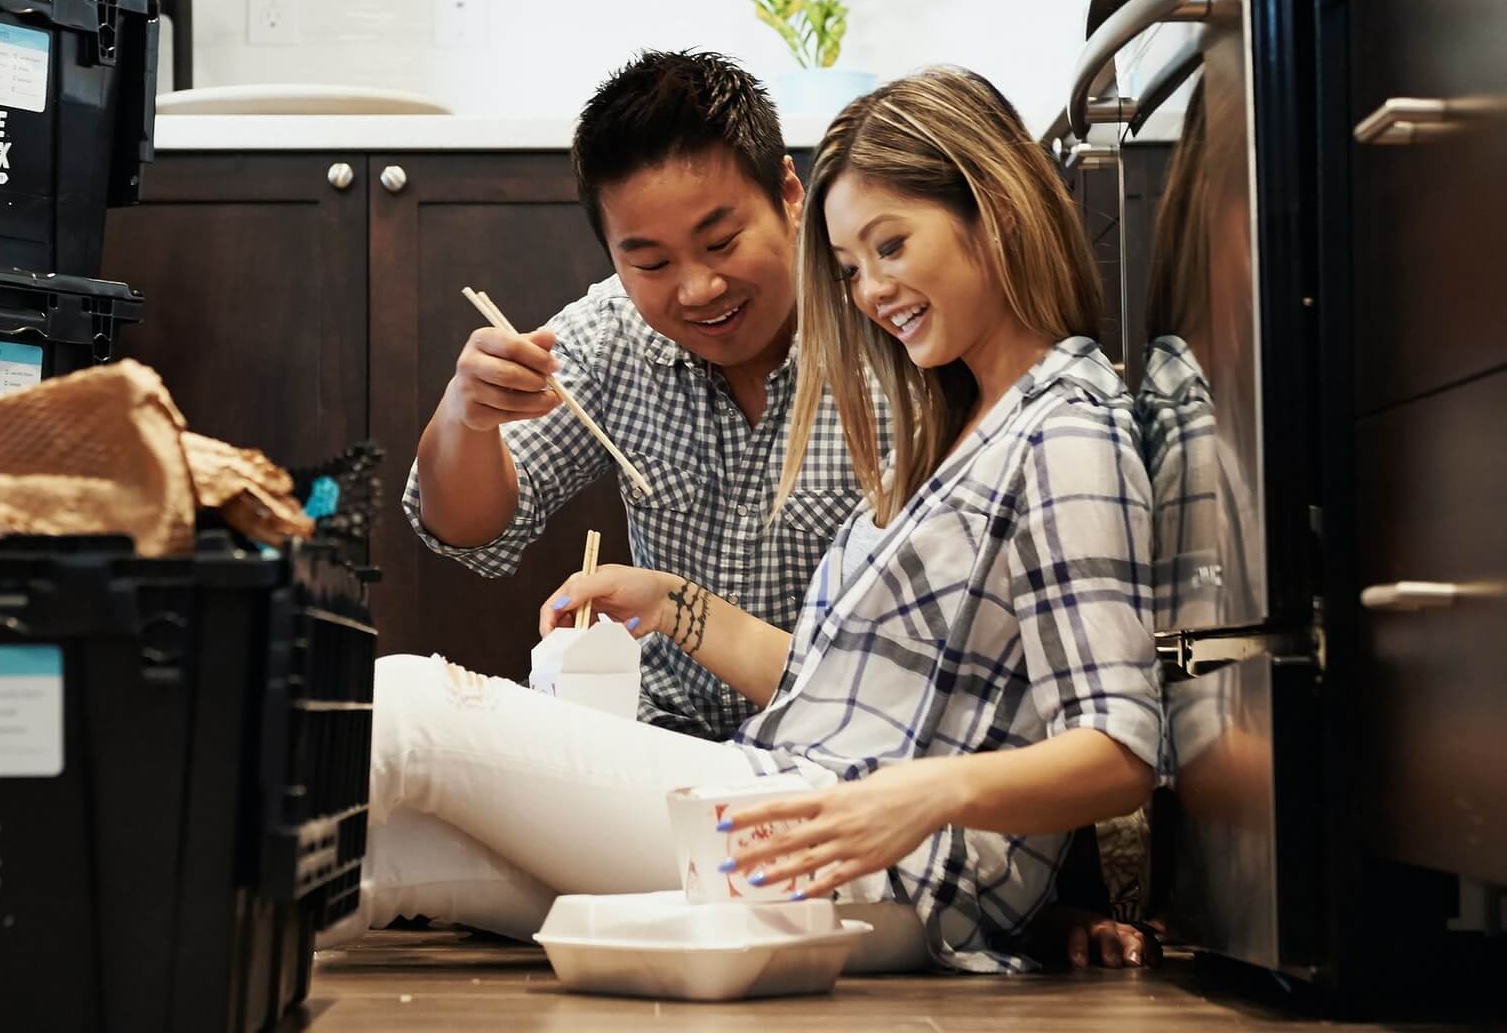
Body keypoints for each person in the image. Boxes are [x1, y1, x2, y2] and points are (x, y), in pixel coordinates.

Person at [359, 66, 1163, 972]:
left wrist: (923, 802)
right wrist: (671, 602)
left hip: (857, 851)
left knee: (406, 708)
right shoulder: (950, 417)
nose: (869, 293)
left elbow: (1119, 743)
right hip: (805, 815)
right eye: (853, 266)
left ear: (997, 210)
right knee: (381, 857)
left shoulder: (1062, 422)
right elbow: (841, 691)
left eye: (892, 247)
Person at [404, 50, 868, 741]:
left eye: (722, 241)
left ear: (789, 194)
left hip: (842, 750)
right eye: (650, 263)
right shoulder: (609, 335)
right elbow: (472, 529)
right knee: (407, 704)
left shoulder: (884, 327)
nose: (698, 289)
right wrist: (465, 416)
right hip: (658, 739)